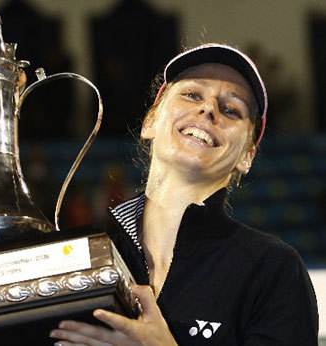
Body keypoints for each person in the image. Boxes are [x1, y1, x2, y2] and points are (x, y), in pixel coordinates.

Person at [49, 43, 319, 345]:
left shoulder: (273, 270)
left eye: (231, 110)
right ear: (150, 121)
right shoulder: (82, 261)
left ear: (247, 156)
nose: (208, 109)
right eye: (192, 95)